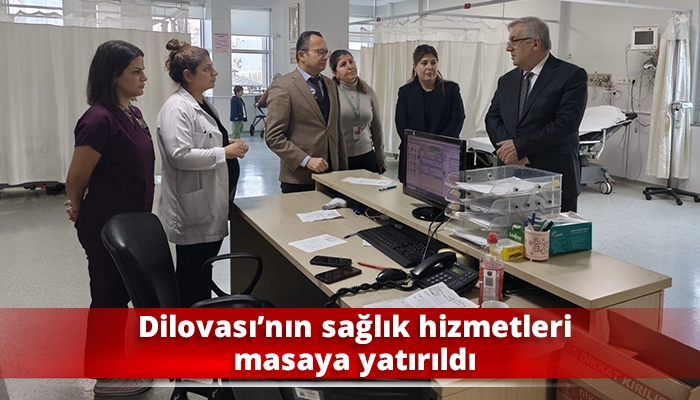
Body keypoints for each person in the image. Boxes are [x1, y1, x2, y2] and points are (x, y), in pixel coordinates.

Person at [64, 40, 153, 396]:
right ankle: (107, 376)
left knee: (121, 293)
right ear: (114, 75)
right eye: (136, 71)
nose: (144, 77)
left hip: (130, 224)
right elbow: (76, 178)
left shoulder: (131, 112)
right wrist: (77, 207)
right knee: (108, 296)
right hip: (105, 224)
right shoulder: (98, 119)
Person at [157, 39, 249, 307]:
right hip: (193, 209)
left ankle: (200, 317)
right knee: (191, 275)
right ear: (188, 75)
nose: (215, 73)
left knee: (201, 271)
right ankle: (189, 323)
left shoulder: (203, 103)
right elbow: (180, 155)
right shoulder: (177, 108)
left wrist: (228, 143)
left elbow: (208, 140)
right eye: (207, 69)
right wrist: (224, 152)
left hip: (210, 203)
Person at [485, 16, 587, 212]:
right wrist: (510, 153)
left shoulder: (570, 76)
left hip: (553, 178)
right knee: (510, 229)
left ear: (535, 43)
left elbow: (566, 124)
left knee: (551, 231)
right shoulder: (506, 80)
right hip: (512, 175)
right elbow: (492, 118)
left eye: (514, 41)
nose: (508, 48)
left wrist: (520, 147)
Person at [265, 30, 348, 193]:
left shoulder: (330, 85)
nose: (326, 57)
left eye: (327, 52)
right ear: (302, 55)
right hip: (299, 178)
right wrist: (306, 160)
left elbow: (336, 130)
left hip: (331, 175)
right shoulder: (283, 86)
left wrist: (343, 170)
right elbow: (273, 136)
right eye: (320, 52)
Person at [395, 44, 465, 183]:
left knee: (444, 191)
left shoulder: (451, 89)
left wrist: (436, 148)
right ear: (415, 67)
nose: (429, 67)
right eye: (424, 63)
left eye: (433, 62)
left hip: (444, 154)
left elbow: (457, 120)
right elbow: (401, 124)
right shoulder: (406, 92)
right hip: (414, 154)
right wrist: (422, 148)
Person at [330, 49, 386, 174]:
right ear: (335, 73)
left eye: (351, 61)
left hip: (366, 155)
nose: (350, 66)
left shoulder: (368, 91)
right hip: (342, 157)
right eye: (343, 64)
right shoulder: (331, 93)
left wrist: (380, 156)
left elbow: (376, 126)